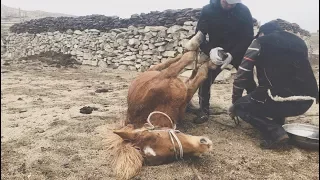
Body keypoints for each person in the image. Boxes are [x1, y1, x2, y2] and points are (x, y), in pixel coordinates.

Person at [228, 20, 319, 149]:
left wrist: (235, 102)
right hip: (307, 102)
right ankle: (279, 122)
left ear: (262, 33)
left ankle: (275, 132)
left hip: (276, 100)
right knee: (283, 88)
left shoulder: (260, 41)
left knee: (241, 106)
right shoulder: (300, 42)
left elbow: (241, 75)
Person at [186, 0, 256, 124]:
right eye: (226, 2)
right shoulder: (208, 10)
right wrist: (209, 50)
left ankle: (256, 109)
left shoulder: (244, 11)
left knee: (248, 80)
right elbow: (199, 36)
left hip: (237, 51)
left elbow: (248, 37)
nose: (229, 6)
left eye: (232, 4)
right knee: (205, 79)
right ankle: (203, 111)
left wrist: (232, 55)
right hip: (216, 51)